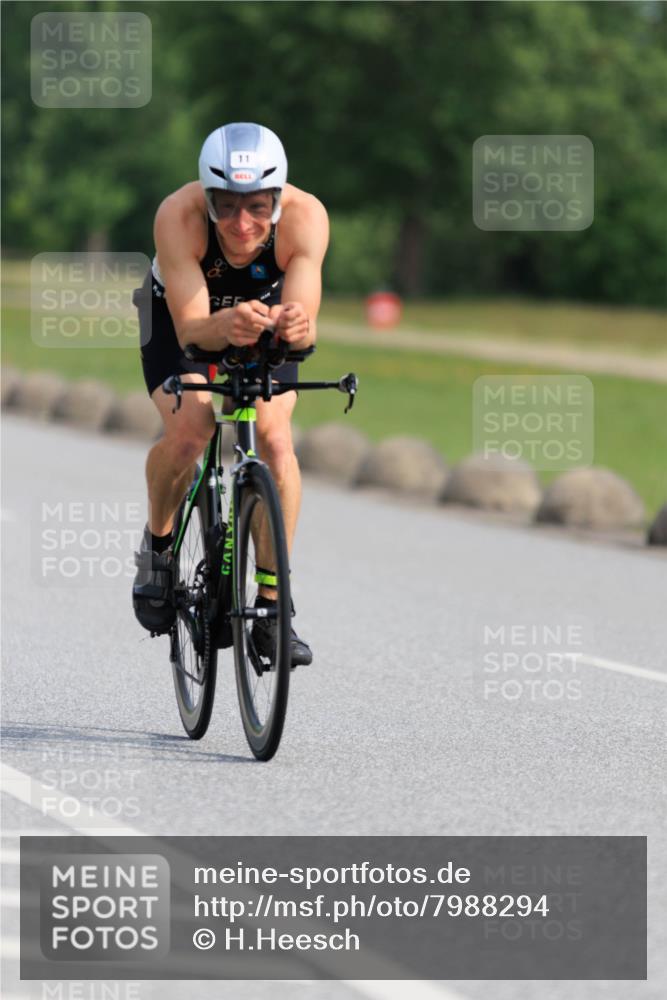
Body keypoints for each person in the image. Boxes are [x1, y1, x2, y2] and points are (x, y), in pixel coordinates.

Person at [132, 122, 329, 666]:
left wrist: (295, 326)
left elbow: (306, 319)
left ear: (279, 201)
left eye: (259, 207)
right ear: (207, 198)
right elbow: (194, 328)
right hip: (179, 319)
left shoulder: (308, 217)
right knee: (192, 430)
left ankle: (272, 609)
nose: (243, 224)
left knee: (276, 441)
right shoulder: (178, 216)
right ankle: (158, 547)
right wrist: (229, 322)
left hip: (261, 320)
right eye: (226, 206)